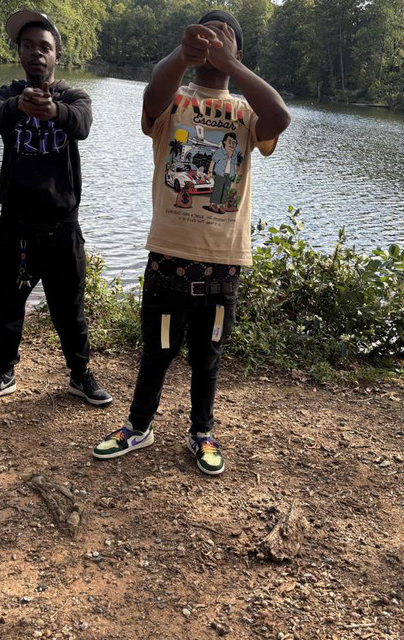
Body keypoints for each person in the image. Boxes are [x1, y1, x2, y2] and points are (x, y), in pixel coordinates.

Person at [92, 10, 290, 475]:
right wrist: (182, 56)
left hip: (224, 260)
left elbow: (280, 117)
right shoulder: (174, 101)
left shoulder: (245, 114)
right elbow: (151, 96)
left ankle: (201, 432)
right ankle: (138, 426)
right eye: (205, 35)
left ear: (237, 50)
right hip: (169, 253)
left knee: (208, 354)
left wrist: (232, 65)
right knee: (157, 349)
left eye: (224, 38)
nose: (213, 42)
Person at [0, 10, 111, 407]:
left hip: (62, 227)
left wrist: (55, 112)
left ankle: (80, 375)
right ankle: (3, 372)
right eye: (28, 46)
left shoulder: (74, 97)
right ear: (19, 53)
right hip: (16, 225)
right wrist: (20, 105)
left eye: (44, 47)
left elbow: (82, 124)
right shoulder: (5, 95)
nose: (36, 53)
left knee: (70, 307)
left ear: (56, 55)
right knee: (7, 302)